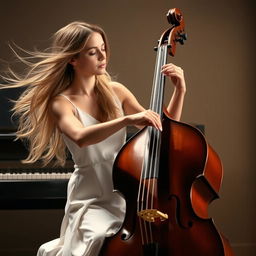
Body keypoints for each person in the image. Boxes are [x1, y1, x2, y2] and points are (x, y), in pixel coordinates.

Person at [1, 21, 186, 256]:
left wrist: (180, 91)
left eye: (103, 48)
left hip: (126, 194)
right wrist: (126, 120)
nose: (102, 55)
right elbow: (80, 137)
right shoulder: (61, 102)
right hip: (90, 198)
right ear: (73, 59)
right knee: (100, 238)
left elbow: (161, 131)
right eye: (92, 52)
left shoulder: (116, 91)